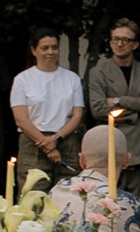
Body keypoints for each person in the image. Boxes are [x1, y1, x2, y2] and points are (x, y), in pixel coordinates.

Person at [9, 30, 84, 185]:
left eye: (54, 47)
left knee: (68, 192)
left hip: (66, 139)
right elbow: (21, 119)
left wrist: (56, 139)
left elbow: (77, 115)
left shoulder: (72, 79)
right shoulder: (22, 80)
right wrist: (47, 146)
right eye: (45, 48)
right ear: (34, 50)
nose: (51, 52)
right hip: (33, 140)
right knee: (33, 194)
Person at [84, 18, 140, 162]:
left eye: (125, 40)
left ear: (135, 44)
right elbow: (98, 109)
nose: (119, 44)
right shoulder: (98, 72)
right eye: (115, 39)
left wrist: (118, 100)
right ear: (110, 42)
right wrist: (138, 110)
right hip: (111, 149)